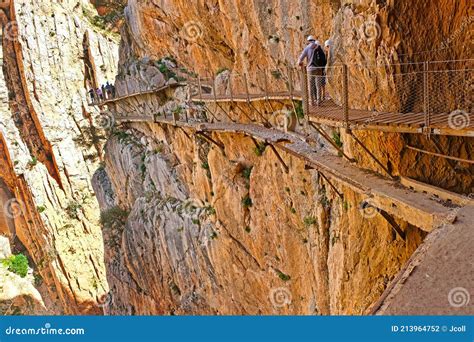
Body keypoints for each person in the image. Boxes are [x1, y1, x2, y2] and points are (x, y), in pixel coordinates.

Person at [298, 36, 327, 106]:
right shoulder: (318, 46)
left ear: (308, 41)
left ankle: (312, 102)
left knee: (311, 86)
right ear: (314, 40)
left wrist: (300, 63)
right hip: (319, 69)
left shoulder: (307, 48)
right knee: (318, 85)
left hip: (310, 69)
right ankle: (318, 102)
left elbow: (300, 59)